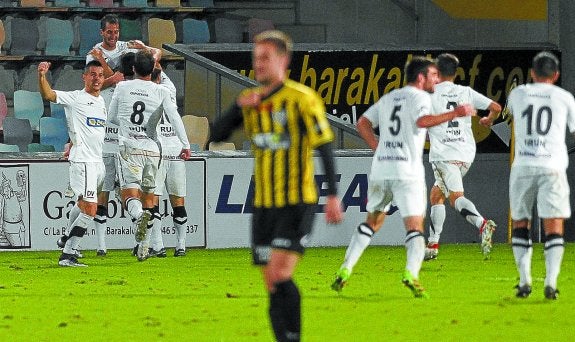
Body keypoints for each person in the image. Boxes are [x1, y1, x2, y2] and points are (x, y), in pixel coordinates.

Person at [209, 30, 343, 341]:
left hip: (296, 201)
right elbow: (215, 134)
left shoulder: (301, 99)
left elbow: (323, 145)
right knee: (270, 281)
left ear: (283, 59)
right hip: (263, 205)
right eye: (255, 58)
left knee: (281, 274)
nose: (258, 64)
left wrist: (333, 195)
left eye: (265, 58)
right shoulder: (250, 101)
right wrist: (239, 109)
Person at [331, 57, 475, 297]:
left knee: (372, 222)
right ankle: (411, 274)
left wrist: (375, 145)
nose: (436, 80)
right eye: (432, 75)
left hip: (381, 168)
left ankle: (345, 270)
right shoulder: (421, 98)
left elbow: (363, 123)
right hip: (407, 170)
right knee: (415, 227)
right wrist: (455, 113)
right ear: (420, 78)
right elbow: (422, 121)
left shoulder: (390, 98)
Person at [107, 50, 190, 262]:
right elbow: (175, 118)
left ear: (133, 69)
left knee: (130, 196)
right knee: (149, 199)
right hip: (154, 150)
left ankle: (138, 218)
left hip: (130, 147)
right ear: (152, 70)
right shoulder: (161, 91)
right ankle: (145, 246)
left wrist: (127, 126)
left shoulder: (123, 87)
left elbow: (112, 117)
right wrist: (186, 144)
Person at [507, 51, 575, 300]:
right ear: (556, 75)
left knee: (521, 222)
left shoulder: (518, 93)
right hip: (553, 166)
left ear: (532, 73)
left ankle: (525, 280)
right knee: (553, 224)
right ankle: (551, 281)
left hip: (523, 164)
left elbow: (512, 114)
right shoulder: (565, 97)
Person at [424, 53, 502, 260]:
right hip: (466, 153)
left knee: (455, 198)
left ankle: (483, 224)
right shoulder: (465, 92)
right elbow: (496, 107)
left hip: (444, 155)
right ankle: (433, 244)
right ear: (455, 73)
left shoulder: (429, 94)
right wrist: (488, 119)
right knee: (436, 195)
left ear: (436, 72)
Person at [38, 60, 107, 267]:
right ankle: (67, 254)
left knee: (83, 204)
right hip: (83, 161)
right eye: (92, 74)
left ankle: (66, 237)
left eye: (100, 75)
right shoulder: (76, 98)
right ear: (84, 77)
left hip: (97, 162)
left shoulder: (101, 101)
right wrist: (42, 76)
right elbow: (49, 95)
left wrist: (71, 140)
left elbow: (86, 130)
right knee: (90, 210)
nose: (97, 78)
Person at [94, 52, 137, 257]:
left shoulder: (103, 92)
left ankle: (101, 246)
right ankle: (140, 240)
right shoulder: (137, 91)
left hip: (105, 146)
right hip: (127, 148)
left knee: (102, 196)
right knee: (130, 196)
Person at [146, 65, 189, 258]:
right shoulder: (169, 90)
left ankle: (159, 246)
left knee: (153, 200)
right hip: (176, 149)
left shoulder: (145, 94)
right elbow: (160, 69)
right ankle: (181, 245)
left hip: (158, 150)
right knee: (178, 201)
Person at [87, 14, 160, 87]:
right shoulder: (93, 55)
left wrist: (145, 48)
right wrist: (112, 79)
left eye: (116, 32)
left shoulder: (126, 45)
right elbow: (91, 86)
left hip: (131, 91)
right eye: (109, 32)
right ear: (101, 32)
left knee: (156, 66)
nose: (113, 36)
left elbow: (157, 52)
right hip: (107, 93)